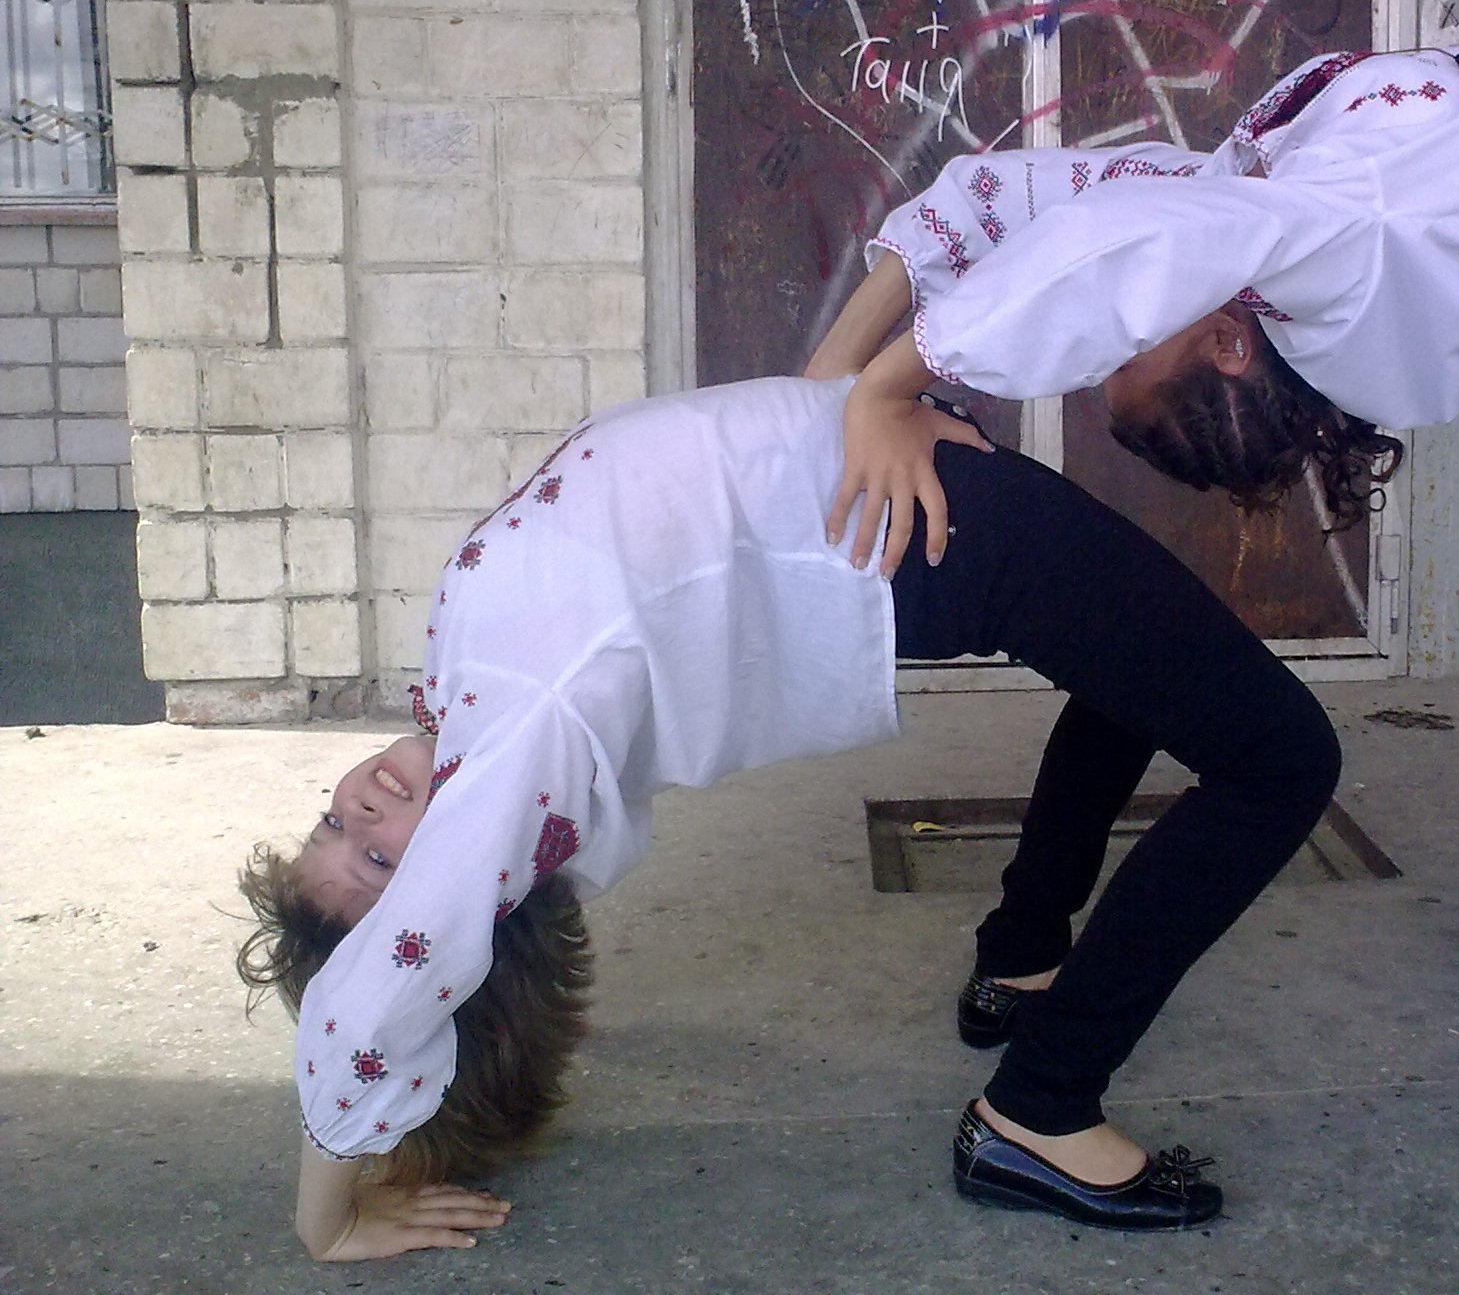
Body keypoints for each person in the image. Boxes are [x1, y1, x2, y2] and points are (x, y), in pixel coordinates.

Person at [822, 44, 1459, 1217]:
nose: (1109, 337)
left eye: (1119, 345)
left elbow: (1046, 213)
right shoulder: (1285, 227)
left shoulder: (1278, 209)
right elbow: (1062, 220)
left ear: (1226, 339)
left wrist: (863, 386)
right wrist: (848, 391)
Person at [236, 374, 1342, 1259]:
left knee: (1142, 672)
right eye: (380, 863)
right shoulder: (517, 743)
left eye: (330, 830)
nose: (361, 808)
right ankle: (1041, 1113)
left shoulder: (465, 705)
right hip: (912, 527)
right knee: (1280, 759)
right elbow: (371, 999)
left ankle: (1022, 961)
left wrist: (858, 398)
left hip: (867, 476)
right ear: (457, 902)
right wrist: (323, 1218)